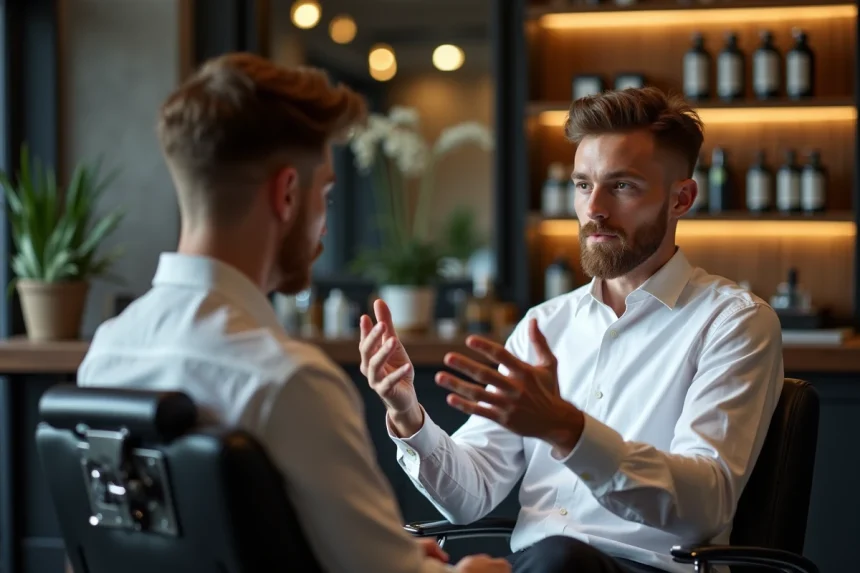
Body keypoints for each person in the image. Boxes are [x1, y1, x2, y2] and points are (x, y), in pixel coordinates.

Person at [76, 53, 510, 573]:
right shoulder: (289, 381)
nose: (324, 221)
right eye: (324, 192)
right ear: (286, 194)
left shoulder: (106, 353)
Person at [358, 87, 784, 573]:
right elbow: (469, 497)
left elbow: (703, 508)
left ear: (680, 198)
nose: (594, 208)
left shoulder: (733, 322)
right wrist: (408, 413)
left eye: (622, 186)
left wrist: (568, 430)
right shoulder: (545, 323)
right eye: (583, 185)